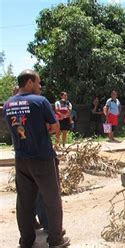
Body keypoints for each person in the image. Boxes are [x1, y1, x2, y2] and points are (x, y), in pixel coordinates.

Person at [2, 69, 70, 247]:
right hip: (42, 158)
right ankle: (55, 240)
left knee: (24, 203)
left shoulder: (8, 104)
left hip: (21, 159)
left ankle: (26, 240)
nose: (40, 86)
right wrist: (43, 132)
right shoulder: (40, 101)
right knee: (52, 200)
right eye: (38, 82)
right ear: (30, 82)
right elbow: (56, 127)